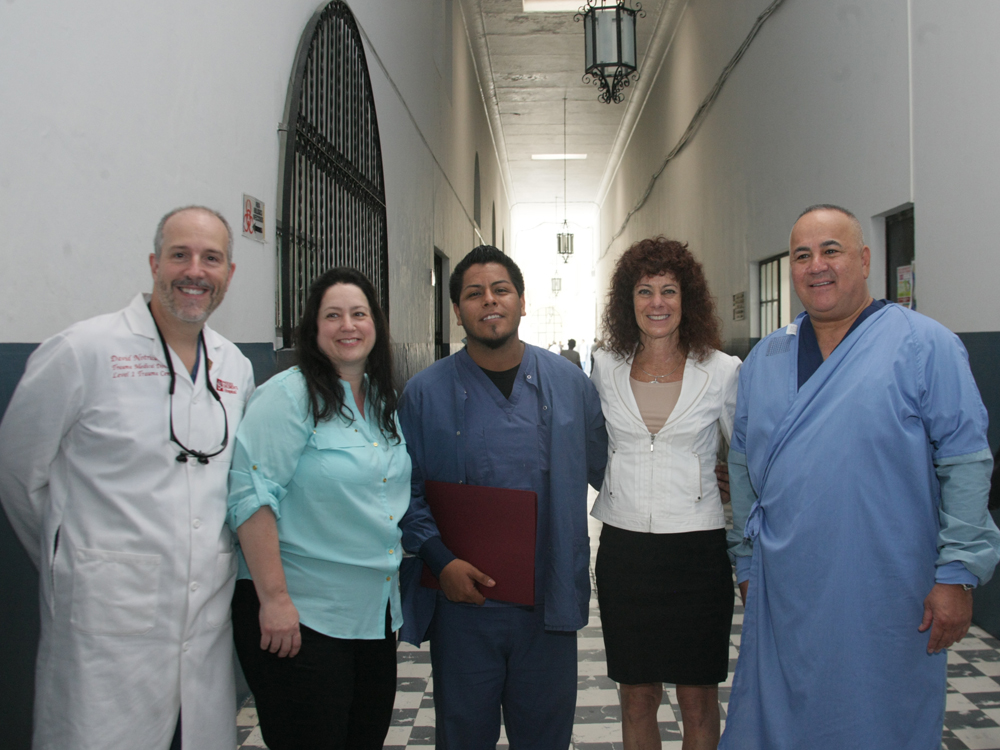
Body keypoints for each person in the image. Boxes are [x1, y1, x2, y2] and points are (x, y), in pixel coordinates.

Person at [720, 205, 1000, 749]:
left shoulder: (924, 345)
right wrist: (746, 560)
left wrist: (957, 573)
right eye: (802, 255)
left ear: (865, 260)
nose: (817, 266)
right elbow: (743, 465)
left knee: (881, 721)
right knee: (781, 722)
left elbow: (965, 461)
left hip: (888, 590)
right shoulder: (766, 360)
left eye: (832, 250)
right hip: (787, 592)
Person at [0, 206, 254, 750]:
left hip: (204, 620)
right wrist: (75, 559)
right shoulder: (83, 350)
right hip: (104, 622)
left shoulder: (234, 366)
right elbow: (18, 472)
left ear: (229, 273)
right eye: (180, 255)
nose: (195, 271)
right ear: (154, 264)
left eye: (211, 258)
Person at [398, 245, 607, 749]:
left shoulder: (571, 386)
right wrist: (440, 560)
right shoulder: (424, 394)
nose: (489, 300)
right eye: (474, 293)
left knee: (545, 736)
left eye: (501, 290)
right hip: (463, 604)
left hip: (549, 600)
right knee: (464, 734)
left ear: (522, 301)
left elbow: (613, 470)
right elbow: (402, 490)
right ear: (457, 311)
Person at [227, 268, 410, 750]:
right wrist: (274, 601)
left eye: (359, 314)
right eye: (333, 315)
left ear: (375, 325)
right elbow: (250, 496)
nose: (347, 325)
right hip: (302, 618)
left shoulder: (381, 399)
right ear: (313, 328)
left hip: (372, 617)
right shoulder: (288, 396)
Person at [591, 237, 739, 750]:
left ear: (686, 298)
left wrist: (730, 482)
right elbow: (589, 443)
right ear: (627, 301)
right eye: (645, 290)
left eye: (669, 290)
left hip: (698, 551)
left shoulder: (722, 370)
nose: (657, 302)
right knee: (636, 697)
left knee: (698, 698)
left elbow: (747, 454)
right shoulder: (605, 366)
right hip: (625, 550)